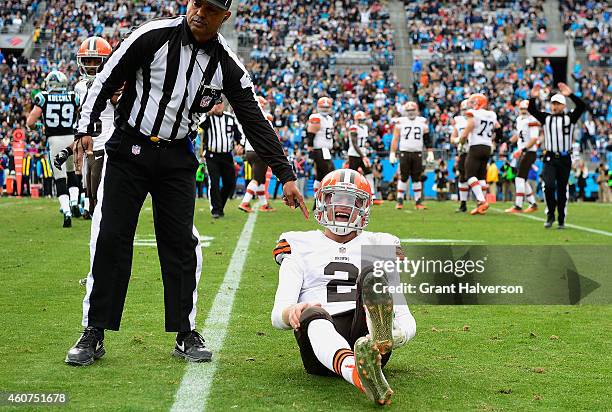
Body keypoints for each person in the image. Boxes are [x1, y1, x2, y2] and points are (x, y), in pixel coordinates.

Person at [65, 0, 306, 367]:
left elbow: (254, 120)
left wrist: (285, 173)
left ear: (224, 16)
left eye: (210, 10)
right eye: (196, 4)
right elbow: (107, 78)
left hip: (177, 155)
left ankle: (184, 331)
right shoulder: (152, 35)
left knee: (181, 243)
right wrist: (85, 127)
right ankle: (93, 330)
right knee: (111, 235)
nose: (199, 14)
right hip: (129, 147)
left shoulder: (227, 64)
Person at [271, 169, 416, 405]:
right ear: (321, 200)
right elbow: (278, 314)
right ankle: (359, 374)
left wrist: (394, 337)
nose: (344, 206)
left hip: (368, 336)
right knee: (313, 313)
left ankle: (378, 337)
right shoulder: (299, 243)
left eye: (353, 201)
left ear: (365, 207)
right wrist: (292, 313)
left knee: (371, 276)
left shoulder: (380, 245)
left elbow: (406, 318)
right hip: (318, 339)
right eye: (335, 198)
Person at [528, 82, 587, 228]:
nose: (555, 106)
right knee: (548, 186)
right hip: (549, 158)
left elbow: (582, 107)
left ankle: (561, 218)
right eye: (553, 103)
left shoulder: (570, 118)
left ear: (563, 106)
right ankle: (550, 214)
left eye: (558, 104)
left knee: (561, 189)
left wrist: (571, 95)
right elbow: (531, 110)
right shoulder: (546, 118)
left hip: (565, 158)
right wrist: (533, 97)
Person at [26, 70, 80, 227]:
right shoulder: (72, 97)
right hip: (71, 138)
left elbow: (30, 122)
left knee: (60, 177)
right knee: (72, 172)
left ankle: (66, 210)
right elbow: (82, 114)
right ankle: (75, 201)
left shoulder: (43, 97)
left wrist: (41, 126)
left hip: (54, 140)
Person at [460, 93, 501, 215]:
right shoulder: (492, 114)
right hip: (487, 146)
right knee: (481, 176)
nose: (472, 105)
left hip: (476, 146)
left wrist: (461, 140)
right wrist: (496, 141)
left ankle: (482, 201)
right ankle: (480, 205)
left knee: (469, 175)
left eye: (473, 102)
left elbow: (469, 127)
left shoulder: (474, 114)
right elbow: (498, 128)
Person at [200, 101, 243, 218]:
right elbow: (199, 124)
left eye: (220, 103)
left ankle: (220, 206)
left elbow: (239, 134)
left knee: (230, 183)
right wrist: (208, 113)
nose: (218, 106)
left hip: (227, 155)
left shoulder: (230, 118)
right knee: (213, 183)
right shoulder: (208, 118)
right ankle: (215, 210)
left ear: (223, 105)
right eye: (215, 104)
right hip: (211, 155)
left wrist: (240, 144)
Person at [390, 101, 432, 210]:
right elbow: (395, 138)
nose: (411, 112)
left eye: (413, 110)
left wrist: (430, 151)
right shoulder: (400, 122)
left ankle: (418, 201)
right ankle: (399, 200)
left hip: (417, 152)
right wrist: (392, 153)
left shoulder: (422, 121)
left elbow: (427, 138)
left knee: (417, 177)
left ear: (417, 110)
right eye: (409, 110)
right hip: (404, 152)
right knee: (403, 177)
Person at [238, 95, 275, 212]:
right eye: (263, 104)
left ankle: (264, 204)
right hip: (259, 151)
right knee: (257, 179)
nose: (264, 106)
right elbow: (270, 135)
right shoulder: (265, 117)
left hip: (249, 151)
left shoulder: (246, 116)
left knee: (261, 179)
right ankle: (245, 202)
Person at [506, 100, 540, 213]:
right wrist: (508, 142)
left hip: (529, 152)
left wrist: (523, 149)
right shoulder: (519, 120)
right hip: (523, 151)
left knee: (519, 178)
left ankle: (518, 205)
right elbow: (518, 135)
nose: (524, 111)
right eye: (522, 109)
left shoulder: (532, 120)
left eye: (526, 109)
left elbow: (534, 139)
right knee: (522, 178)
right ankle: (533, 203)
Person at [306, 97, 336, 203]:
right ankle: (322, 200)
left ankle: (317, 201)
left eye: (327, 107)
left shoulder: (330, 119)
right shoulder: (316, 117)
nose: (325, 109)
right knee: (329, 174)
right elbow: (311, 134)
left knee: (319, 176)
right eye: (323, 107)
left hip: (326, 150)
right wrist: (310, 149)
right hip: (319, 149)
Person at [347, 111, 379, 204]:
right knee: (352, 176)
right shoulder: (353, 128)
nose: (361, 121)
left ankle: (372, 195)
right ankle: (350, 196)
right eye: (360, 119)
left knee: (369, 173)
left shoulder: (365, 128)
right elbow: (354, 144)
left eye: (362, 119)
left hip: (362, 154)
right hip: (354, 154)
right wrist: (363, 156)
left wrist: (366, 152)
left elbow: (363, 142)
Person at [450, 99, 469, 212]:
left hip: (474, 151)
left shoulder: (476, 119)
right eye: (463, 110)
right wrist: (458, 140)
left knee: (476, 177)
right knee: (462, 177)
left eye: (467, 109)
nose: (465, 112)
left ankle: (480, 202)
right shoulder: (459, 121)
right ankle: (463, 203)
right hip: (463, 152)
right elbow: (452, 138)